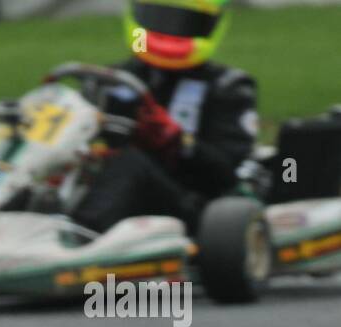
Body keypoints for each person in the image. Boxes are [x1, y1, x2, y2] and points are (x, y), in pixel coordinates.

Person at [72, 0, 259, 234]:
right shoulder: (106, 81)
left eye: (186, 23)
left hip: (191, 205)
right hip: (111, 192)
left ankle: (78, 237)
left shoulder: (227, 87)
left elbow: (226, 177)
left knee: (131, 162)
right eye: (158, 18)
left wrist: (178, 143)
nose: (169, 31)